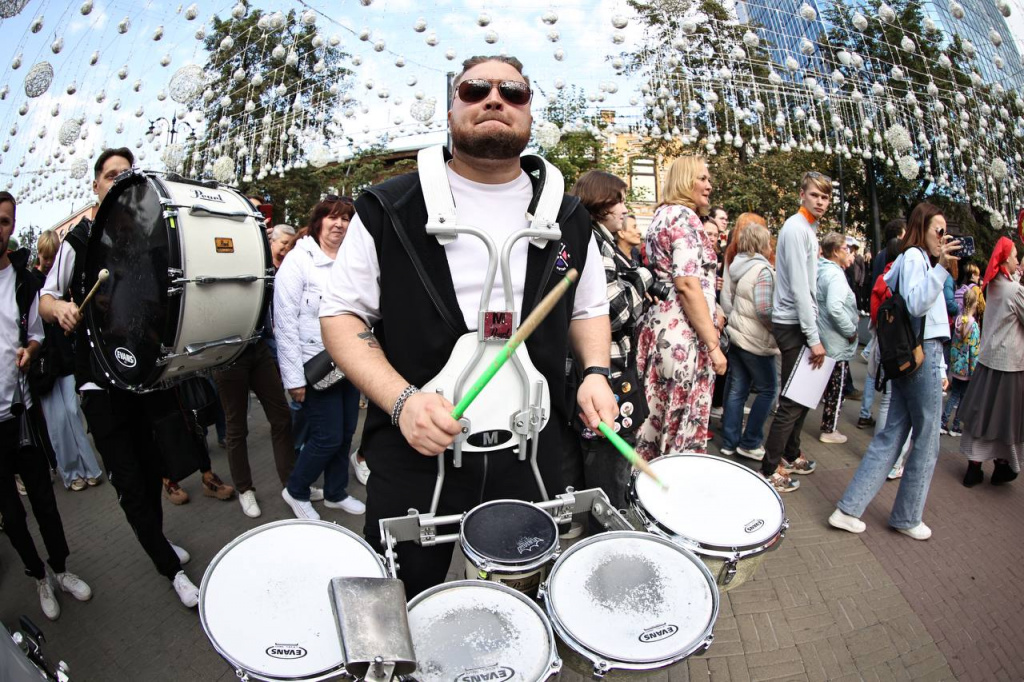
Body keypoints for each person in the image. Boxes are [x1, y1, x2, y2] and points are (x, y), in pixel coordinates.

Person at [319, 55, 615, 597]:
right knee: (400, 598)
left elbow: (587, 307)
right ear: (452, 106)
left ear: (529, 111)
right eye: (476, 88)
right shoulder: (388, 207)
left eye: (514, 92)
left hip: (536, 443)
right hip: (417, 444)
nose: (494, 99)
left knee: (527, 597)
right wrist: (402, 401)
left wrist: (596, 372)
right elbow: (342, 314)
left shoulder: (570, 215)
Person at [38, 149, 202, 607]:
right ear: (96, 186)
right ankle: (171, 570)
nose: (120, 182)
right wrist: (63, 308)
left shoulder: (145, 238)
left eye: (127, 175)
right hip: (98, 384)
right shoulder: (79, 241)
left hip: (142, 378)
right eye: (111, 176)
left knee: (152, 471)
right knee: (130, 482)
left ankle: (160, 542)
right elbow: (44, 299)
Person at [829, 202, 959, 540]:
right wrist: (942, 269)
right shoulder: (916, 257)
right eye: (938, 230)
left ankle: (848, 509)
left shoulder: (909, 257)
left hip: (913, 356)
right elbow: (917, 304)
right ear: (922, 227)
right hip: (922, 355)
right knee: (927, 439)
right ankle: (906, 516)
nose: (943, 237)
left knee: (892, 435)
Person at [0, 191, 93, 621]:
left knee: (44, 500)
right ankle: (38, 575)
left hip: (20, 416)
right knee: (11, 515)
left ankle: (61, 568)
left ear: (11, 227)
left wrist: (32, 351)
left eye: (4, 221)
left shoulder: (21, 281)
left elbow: (36, 333)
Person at [564, 170, 653, 511]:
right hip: (606, 374)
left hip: (609, 371)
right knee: (607, 481)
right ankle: (608, 541)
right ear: (603, 202)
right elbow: (614, 311)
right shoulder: (593, 241)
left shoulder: (601, 240)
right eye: (620, 200)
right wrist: (644, 277)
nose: (624, 210)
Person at [275, 197, 366, 520]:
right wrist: (294, 379)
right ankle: (296, 490)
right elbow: (284, 323)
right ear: (318, 221)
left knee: (344, 434)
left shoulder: (353, 260)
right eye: (332, 217)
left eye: (345, 219)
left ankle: (335, 492)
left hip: (349, 362)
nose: (339, 224)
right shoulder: (298, 261)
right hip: (314, 366)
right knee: (326, 437)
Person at [635, 156, 727, 459]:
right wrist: (713, 345)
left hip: (662, 327)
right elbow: (687, 283)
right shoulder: (684, 218)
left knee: (657, 419)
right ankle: (667, 496)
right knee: (678, 426)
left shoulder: (662, 216)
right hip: (683, 335)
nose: (709, 185)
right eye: (702, 178)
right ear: (686, 180)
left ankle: (641, 490)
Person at [759, 172, 832, 493]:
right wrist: (813, 336)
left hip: (798, 322)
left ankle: (788, 455)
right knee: (791, 400)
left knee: (803, 395)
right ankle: (769, 467)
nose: (820, 201)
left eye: (825, 197)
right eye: (815, 195)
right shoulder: (795, 228)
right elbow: (801, 288)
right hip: (793, 324)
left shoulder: (806, 229)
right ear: (802, 194)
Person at [28, 230, 104, 491]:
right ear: (39, 254)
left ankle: (90, 466)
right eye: (45, 256)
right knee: (57, 422)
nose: (49, 262)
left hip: (64, 356)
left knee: (73, 414)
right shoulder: (32, 283)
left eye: (53, 256)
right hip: (43, 364)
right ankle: (71, 473)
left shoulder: (63, 274)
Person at [958, 237, 1023, 487]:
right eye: (1015, 255)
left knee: (981, 417)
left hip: (988, 360)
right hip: (1009, 364)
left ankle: (974, 467)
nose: (1018, 259)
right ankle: (1002, 466)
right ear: (1005, 258)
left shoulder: (995, 284)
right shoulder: (1013, 289)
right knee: (1006, 422)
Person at [719, 220, 777, 462]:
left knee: (736, 390)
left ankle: (729, 443)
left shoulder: (737, 267)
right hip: (755, 341)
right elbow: (764, 309)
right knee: (768, 389)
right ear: (762, 244)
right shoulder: (762, 271)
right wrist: (777, 330)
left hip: (737, 336)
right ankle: (751, 441)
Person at [816, 233, 860, 444]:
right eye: (846, 248)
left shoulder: (820, 269)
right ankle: (829, 429)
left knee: (826, 385)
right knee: (837, 387)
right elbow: (835, 308)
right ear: (835, 251)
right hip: (835, 341)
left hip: (825, 337)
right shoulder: (834, 275)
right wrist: (850, 330)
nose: (849, 252)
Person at [942, 286, 980, 439]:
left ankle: (943, 422)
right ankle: (956, 425)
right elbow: (975, 349)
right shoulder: (974, 325)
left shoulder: (959, 320)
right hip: (967, 368)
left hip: (956, 366)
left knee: (954, 395)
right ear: (973, 304)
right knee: (963, 398)